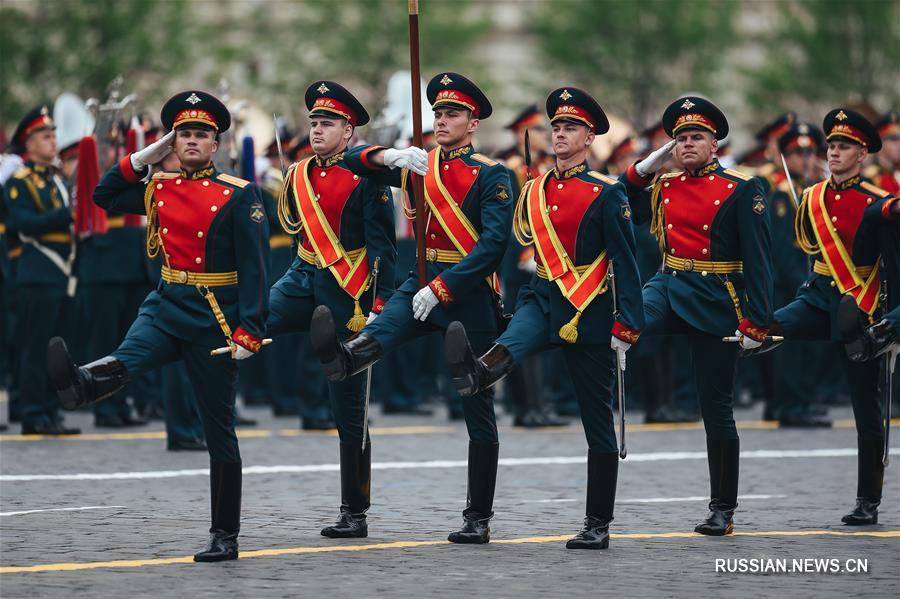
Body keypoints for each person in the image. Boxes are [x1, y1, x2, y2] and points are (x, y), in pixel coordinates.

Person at [47, 90, 269, 562]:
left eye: (200, 135)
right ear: (173, 142)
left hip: (214, 317)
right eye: (183, 134)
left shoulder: (239, 193)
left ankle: (224, 534)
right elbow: (102, 194)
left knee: (218, 429)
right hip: (167, 303)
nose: (191, 141)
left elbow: (256, 268)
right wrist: (143, 156)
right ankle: (82, 386)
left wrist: (249, 327)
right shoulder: (159, 186)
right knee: (131, 355)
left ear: (215, 144)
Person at [310, 72, 512, 544]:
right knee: (370, 340)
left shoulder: (492, 173)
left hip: (466, 292)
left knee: (476, 404)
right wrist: (392, 154)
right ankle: (345, 358)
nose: (442, 121)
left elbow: (493, 245)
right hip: (418, 281)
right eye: (437, 113)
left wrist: (443, 287)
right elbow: (356, 160)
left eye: (452, 114)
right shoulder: (417, 164)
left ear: (473, 121)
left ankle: (477, 517)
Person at [445, 86, 645, 549]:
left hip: (589, 308)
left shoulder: (606, 193)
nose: (559, 133)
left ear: (589, 136)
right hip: (544, 294)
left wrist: (628, 324)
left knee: (596, 419)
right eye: (556, 126)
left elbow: (627, 261)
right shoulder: (532, 189)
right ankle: (480, 372)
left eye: (570, 127)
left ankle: (598, 522)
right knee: (514, 338)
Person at [629, 96, 773, 536]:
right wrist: (642, 170)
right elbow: (628, 209)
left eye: (697, 137)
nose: (687, 143)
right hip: (667, 285)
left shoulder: (742, 188)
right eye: (681, 138)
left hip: (715, 297)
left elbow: (760, 261)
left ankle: (722, 509)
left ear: (715, 145)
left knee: (717, 409)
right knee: (625, 320)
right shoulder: (666, 185)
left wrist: (757, 321)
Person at [270, 80, 397, 537]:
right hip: (304, 279)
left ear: (349, 131)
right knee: (250, 321)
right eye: (314, 122)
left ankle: (354, 510)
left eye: (328, 123)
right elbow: (300, 239)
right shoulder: (299, 173)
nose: (317, 130)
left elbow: (384, 246)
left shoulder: (368, 176)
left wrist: (380, 303)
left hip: (350, 294)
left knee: (349, 410)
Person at [760, 108, 893, 525]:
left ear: (863, 154)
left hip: (863, 311)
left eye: (844, 146)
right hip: (818, 299)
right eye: (831, 145)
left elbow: (892, 268)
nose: (834, 152)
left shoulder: (878, 204)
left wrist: (891, 325)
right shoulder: (813, 198)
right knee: (766, 327)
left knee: (866, 412)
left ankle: (867, 500)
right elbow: (812, 265)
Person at [5, 106, 81, 435]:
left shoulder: (57, 180)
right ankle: (33, 413)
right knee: (35, 347)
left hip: (61, 274)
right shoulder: (20, 181)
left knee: (57, 351)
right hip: (37, 272)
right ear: (28, 142)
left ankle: (50, 410)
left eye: (53, 135)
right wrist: (65, 215)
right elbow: (24, 224)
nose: (53, 141)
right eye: (45, 136)